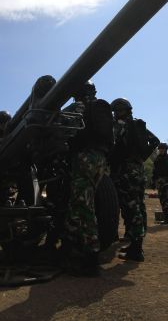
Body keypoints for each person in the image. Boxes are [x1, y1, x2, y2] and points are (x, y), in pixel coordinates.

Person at [61, 81, 113, 276]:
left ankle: (90, 259)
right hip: (100, 159)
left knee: (83, 207)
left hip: (84, 157)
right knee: (81, 205)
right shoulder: (100, 107)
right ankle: (75, 252)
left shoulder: (78, 107)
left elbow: (60, 125)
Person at [109, 97, 159, 262]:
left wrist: (133, 158)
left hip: (126, 171)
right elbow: (155, 141)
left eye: (118, 110)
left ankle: (137, 249)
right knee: (138, 206)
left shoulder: (124, 126)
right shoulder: (137, 124)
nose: (116, 114)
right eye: (115, 111)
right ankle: (136, 245)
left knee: (132, 208)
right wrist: (141, 158)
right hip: (137, 170)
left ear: (125, 110)